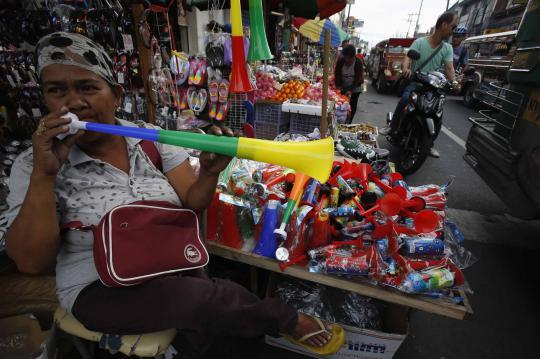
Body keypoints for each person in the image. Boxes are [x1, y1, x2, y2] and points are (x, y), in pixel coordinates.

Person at [3, 32, 340, 356]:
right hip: (99, 288)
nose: (73, 102)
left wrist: (210, 171)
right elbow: (32, 263)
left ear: (116, 95)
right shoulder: (33, 165)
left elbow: (192, 203)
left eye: (88, 87)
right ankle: (288, 320)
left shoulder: (150, 138)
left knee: (202, 302)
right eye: (56, 91)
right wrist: (44, 175)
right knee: (199, 299)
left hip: (169, 261)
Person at [380, 11, 459, 158]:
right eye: (453, 27)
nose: (453, 31)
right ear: (444, 25)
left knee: (438, 115)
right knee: (404, 100)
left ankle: (429, 144)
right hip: (416, 83)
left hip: (434, 88)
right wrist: (406, 69)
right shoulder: (420, 42)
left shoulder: (447, 48)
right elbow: (408, 58)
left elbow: (449, 68)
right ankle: (392, 127)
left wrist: (454, 82)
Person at [335, 44, 364, 124]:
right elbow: (337, 74)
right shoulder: (341, 61)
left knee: (352, 106)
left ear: (353, 57)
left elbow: (358, 78)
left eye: (349, 58)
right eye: (345, 57)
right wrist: (339, 86)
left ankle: (349, 123)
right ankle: (340, 121)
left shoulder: (358, 62)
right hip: (343, 86)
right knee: (341, 105)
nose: (347, 60)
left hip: (355, 87)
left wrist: (350, 90)